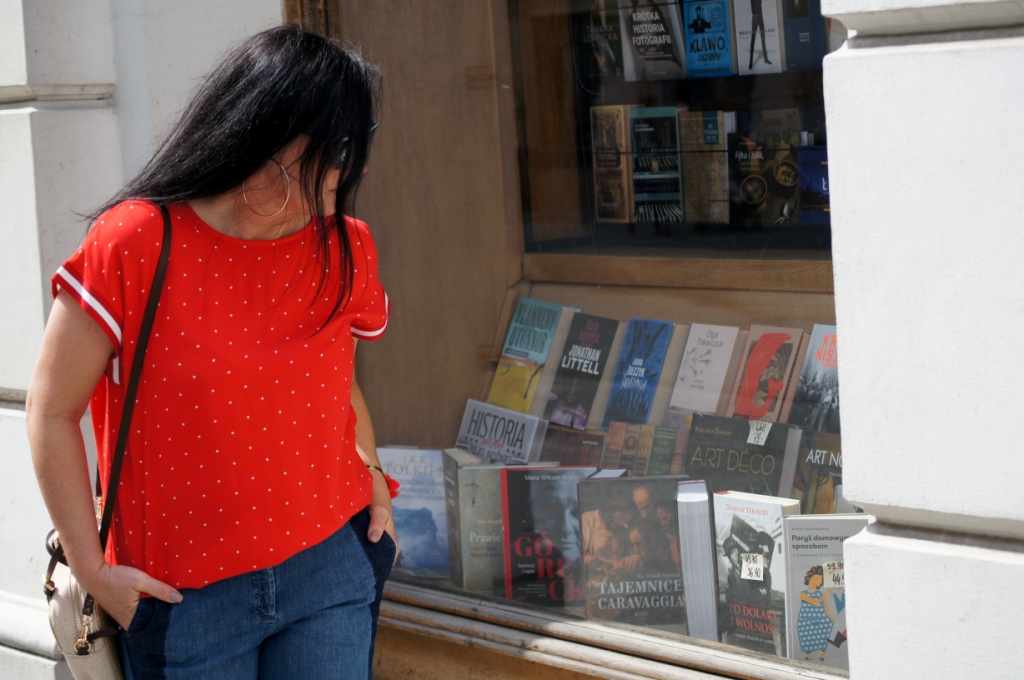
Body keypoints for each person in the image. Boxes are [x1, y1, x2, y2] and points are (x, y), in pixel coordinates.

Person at [27, 26, 397, 680]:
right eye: (342, 148)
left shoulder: (346, 245)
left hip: (329, 572)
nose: (357, 169)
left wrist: (372, 476)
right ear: (271, 134)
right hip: (184, 601)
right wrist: (92, 569)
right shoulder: (137, 241)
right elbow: (51, 410)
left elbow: (338, 380)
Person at [748, 0, 772, 70]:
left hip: (760, 16)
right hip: (755, 16)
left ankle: (765, 59)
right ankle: (751, 62)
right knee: (753, 40)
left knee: (763, 38)